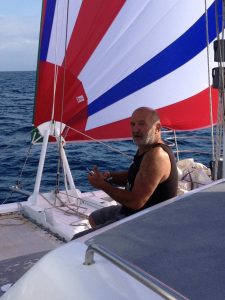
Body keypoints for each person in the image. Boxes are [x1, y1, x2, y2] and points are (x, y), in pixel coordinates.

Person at [88, 107, 178, 229]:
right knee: (94, 218)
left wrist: (103, 186)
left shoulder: (156, 156)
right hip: (131, 212)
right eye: (133, 124)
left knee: (76, 242)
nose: (135, 129)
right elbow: (137, 175)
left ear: (157, 128)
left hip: (145, 222)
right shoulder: (145, 148)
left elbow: (136, 202)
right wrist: (111, 176)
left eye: (142, 124)